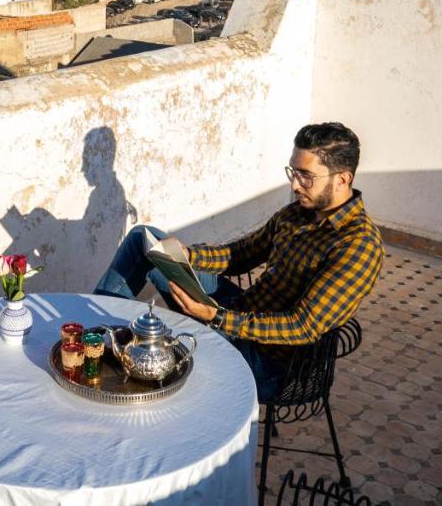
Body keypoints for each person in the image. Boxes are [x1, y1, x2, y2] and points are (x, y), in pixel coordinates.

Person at [93, 122, 383, 399]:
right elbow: (241, 255)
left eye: (306, 175)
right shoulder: (297, 214)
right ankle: (92, 337)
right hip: (238, 313)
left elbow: (302, 326)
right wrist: (188, 256)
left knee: (170, 341)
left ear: (343, 178)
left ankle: (100, 345)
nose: (295, 184)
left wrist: (216, 317)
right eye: (292, 172)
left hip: (270, 363)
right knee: (145, 239)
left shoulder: (358, 245)